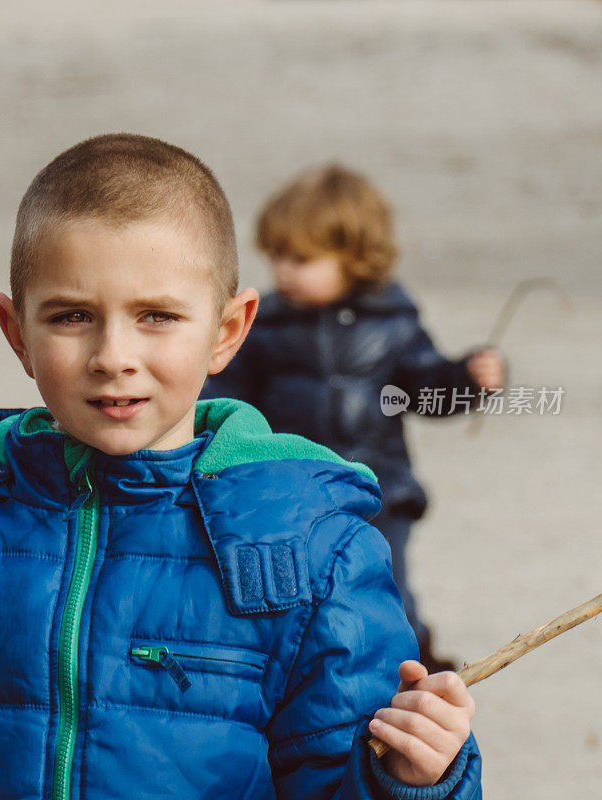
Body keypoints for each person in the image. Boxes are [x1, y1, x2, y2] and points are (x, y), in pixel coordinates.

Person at [0, 134, 482, 799]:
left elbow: (334, 781)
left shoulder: (313, 553)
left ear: (227, 332)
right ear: (17, 333)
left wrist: (411, 782)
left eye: (156, 316)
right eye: (72, 316)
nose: (113, 355)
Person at [200, 162, 506, 673]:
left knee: (385, 589)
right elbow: (228, 394)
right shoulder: (266, 325)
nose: (283, 270)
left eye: (301, 258)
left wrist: (466, 379)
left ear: (355, 256)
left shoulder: (393, 322)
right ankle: (307, 678)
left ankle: (414, 670)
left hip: (378, 490)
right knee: (298, 594)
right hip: (292, 488)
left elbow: (424, 388)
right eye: (276, 255)